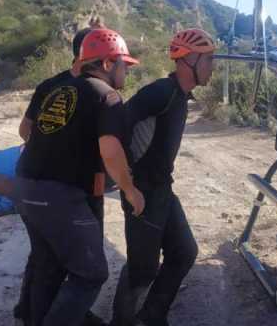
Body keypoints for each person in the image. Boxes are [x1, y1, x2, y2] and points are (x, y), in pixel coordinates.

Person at [16, 28, 145, 326]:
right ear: (108, 64)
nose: (127, 72)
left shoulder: (60, 89)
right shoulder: (107, 96)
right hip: (60, 195)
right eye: (124, 64)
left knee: (47, 264)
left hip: (24, 186)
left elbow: (28, 132)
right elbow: (110, 149)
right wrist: (129, 190)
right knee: (91, 273)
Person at [111, 29, 215, 326]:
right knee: (142, 269)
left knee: (184, 252)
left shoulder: (179, 96)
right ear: (189, 59)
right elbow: (115, 127)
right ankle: (122, 321)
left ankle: (152, 315)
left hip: (163, 190)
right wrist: (127, 182)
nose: (212, 67)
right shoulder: (161, 92)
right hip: (143, 192)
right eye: (209, 60)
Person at [14, 20, 109, 326]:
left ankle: (45, 315)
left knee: (50, 259)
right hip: (68, 189)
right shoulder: (90, 89)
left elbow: (27, 131)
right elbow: (25, 130)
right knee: (73, 262)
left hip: (73, 185)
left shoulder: (51, 85)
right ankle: (37, 315)